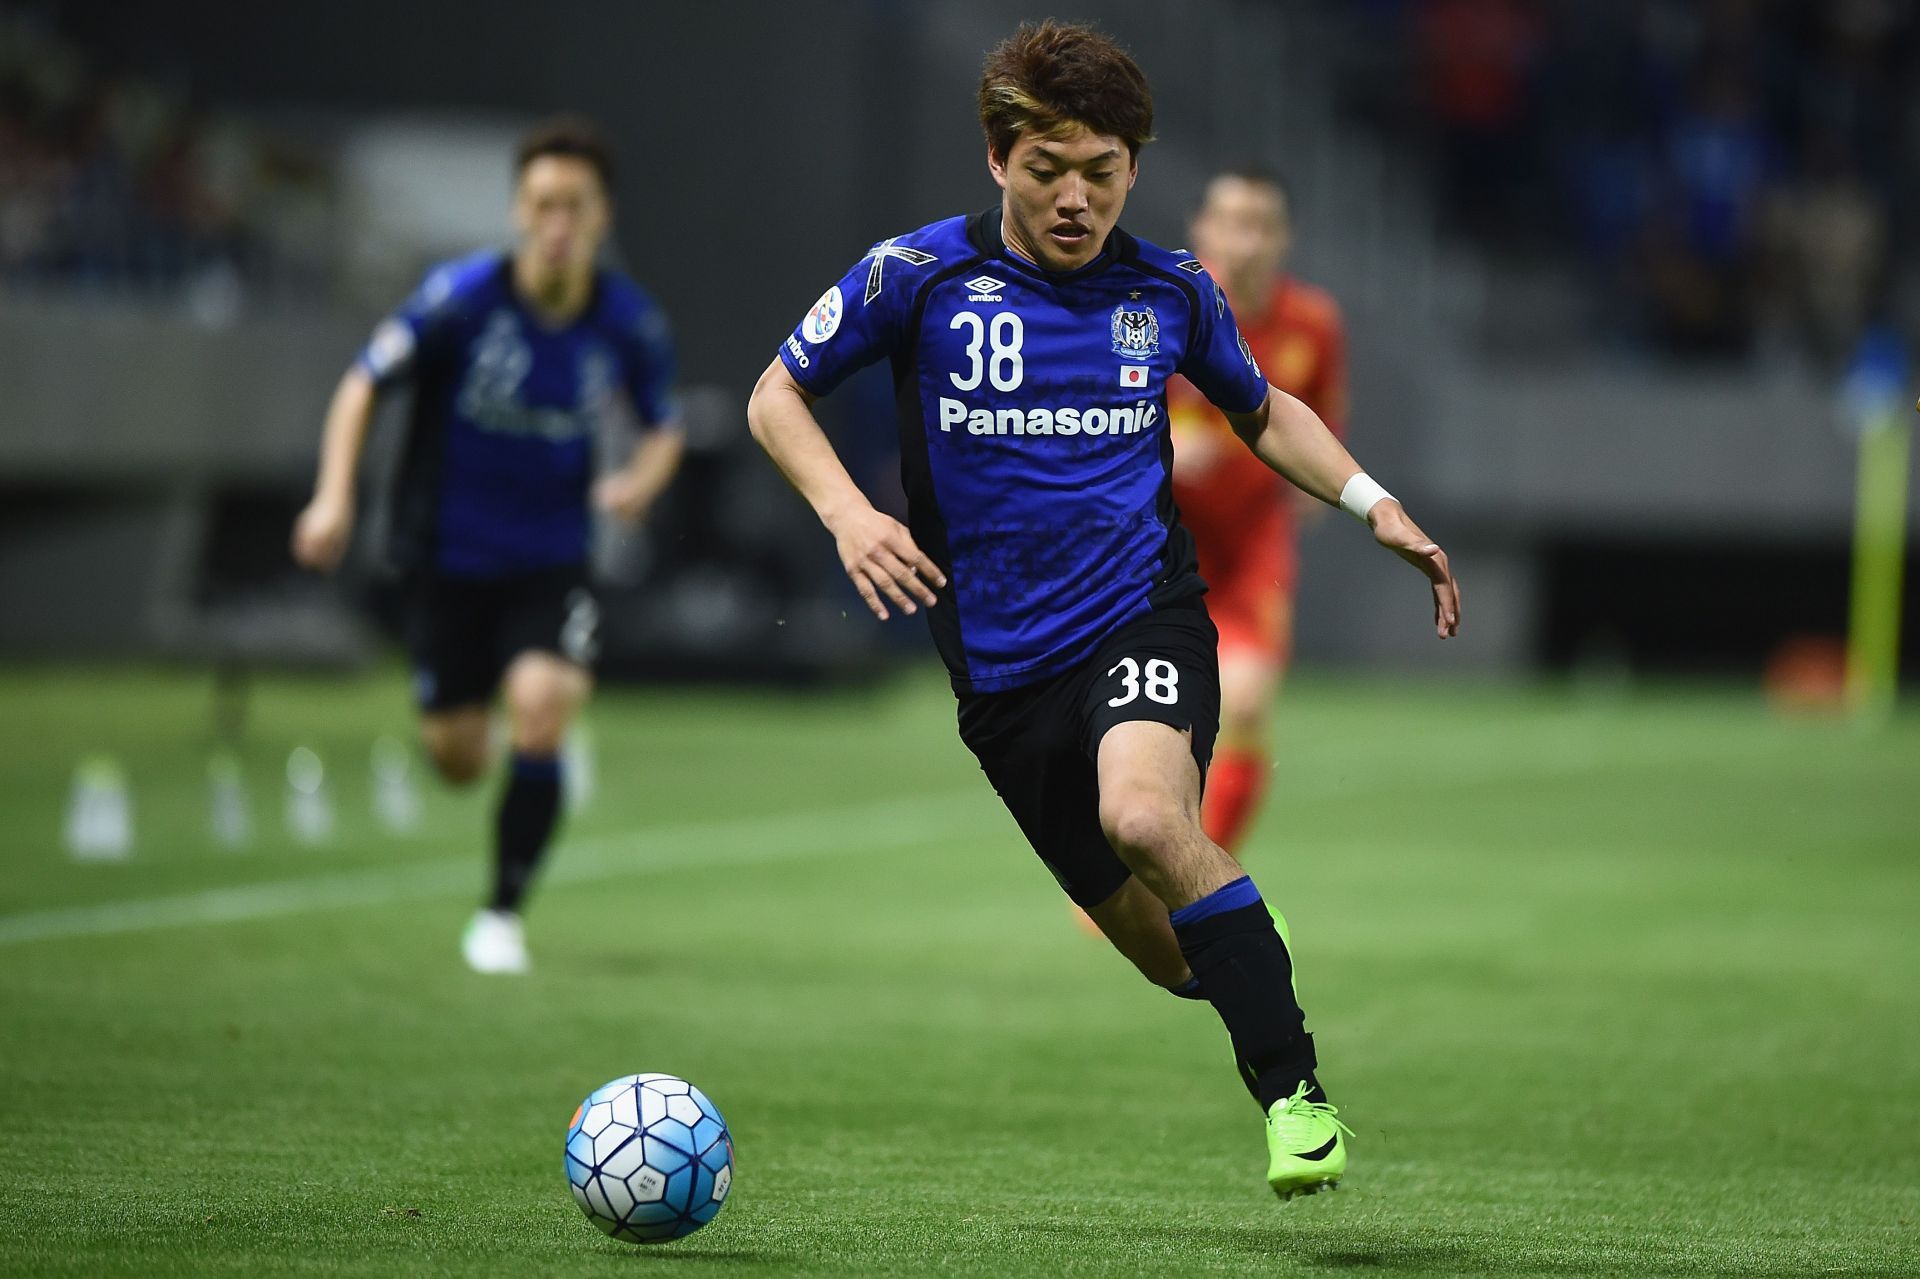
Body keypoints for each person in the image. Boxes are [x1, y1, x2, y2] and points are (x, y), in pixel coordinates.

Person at [746, 20, 1458, 1200]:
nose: (1077, 199)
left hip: (1144, 617)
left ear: (1135, 166)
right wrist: (846, 513)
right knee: (1166, 950)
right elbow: (779, 393)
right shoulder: (915, 278)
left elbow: (1262, 405)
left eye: (1104, 171)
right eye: (1049, 169)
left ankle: (1296, 1095)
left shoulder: (1169, 289)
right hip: (1001, 678)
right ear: (996, 158)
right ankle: (1239, 949)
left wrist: (1372, 500)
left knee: (1141, 812)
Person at [291, 116, 684, 974]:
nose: (556, 224)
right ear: (517, 209)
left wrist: (637, 486)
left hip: (551, 557)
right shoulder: (461, 297)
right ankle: (509, 734)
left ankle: (501, 914)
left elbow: (665, 428)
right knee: (459, 758)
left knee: (541, 705)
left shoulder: (625, 320)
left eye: (573, 206)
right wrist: (333, 497)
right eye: (542, 204)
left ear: (600, 217)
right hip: (447, 557)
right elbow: (363, 383)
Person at [1168, 168, 1348, 855]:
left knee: (1243, 704)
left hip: (1251, 543)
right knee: (1150, 715)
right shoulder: (1160, 308)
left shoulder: (1314, 323)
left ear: (1285, 237)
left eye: (1262, 224)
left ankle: (1196, 879)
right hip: (1160, 542)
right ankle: (1129, 868)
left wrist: (1318, 482)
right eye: (1232, 222)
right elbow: (1096, 412)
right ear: (1201, 229)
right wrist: (1163, 442)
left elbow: (1325, 415)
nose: (1246, 240)